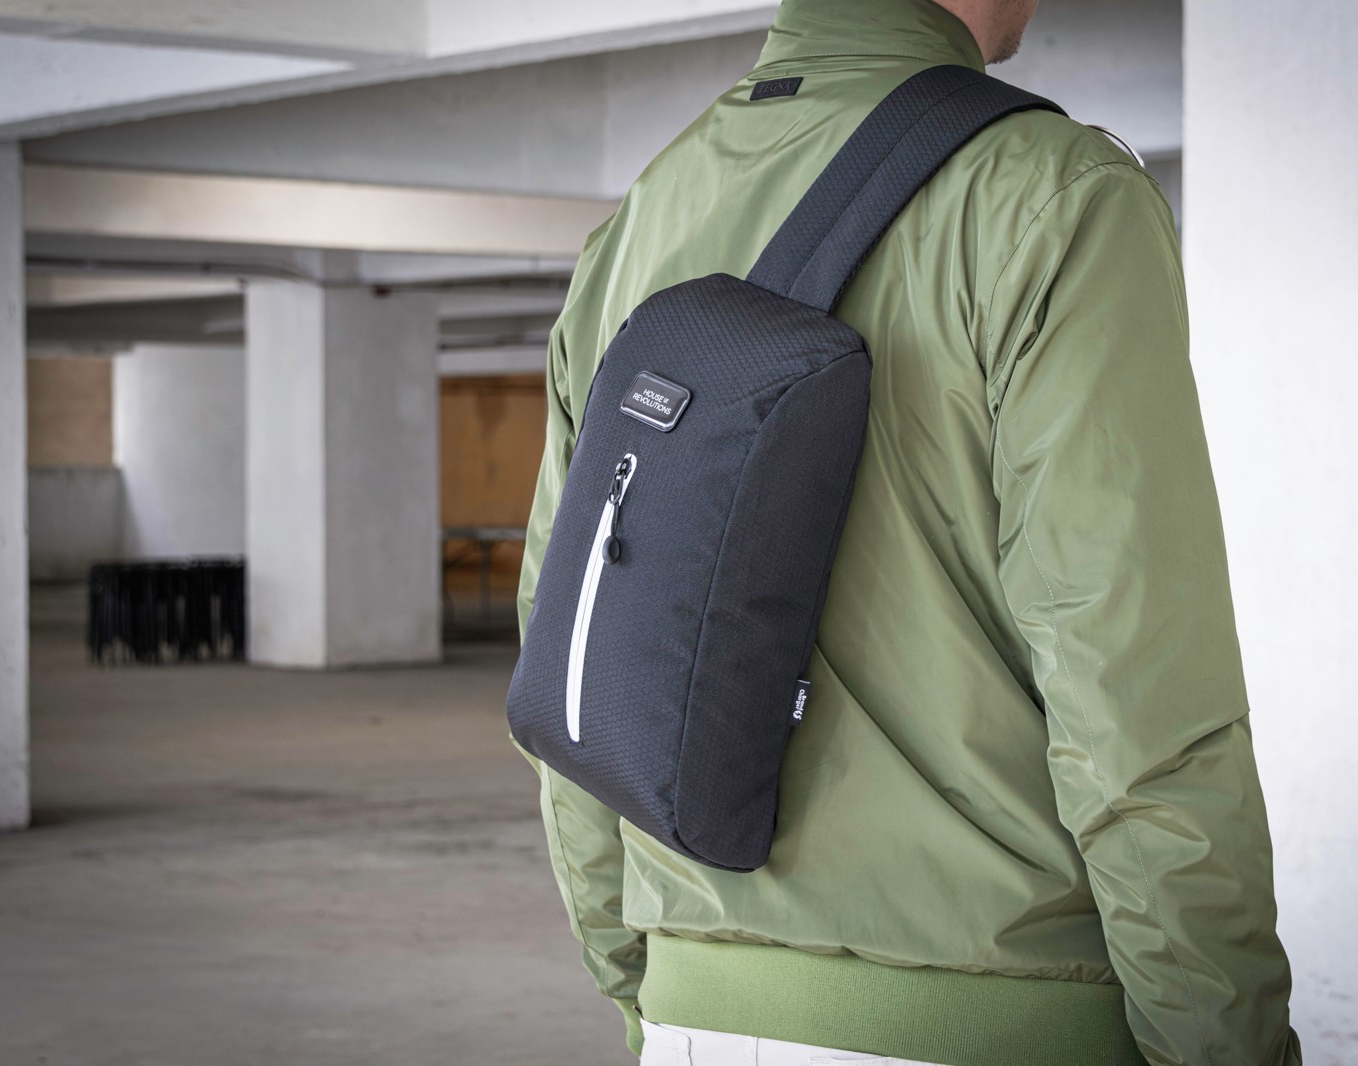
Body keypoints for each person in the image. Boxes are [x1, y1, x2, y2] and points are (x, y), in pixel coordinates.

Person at [515, 0, 1302, 1062]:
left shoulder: (637, 223)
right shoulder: (1052, 197)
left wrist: (644, 982)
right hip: (997, 1021)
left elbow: (570, 658)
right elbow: (1134, 693)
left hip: (694, 1007)